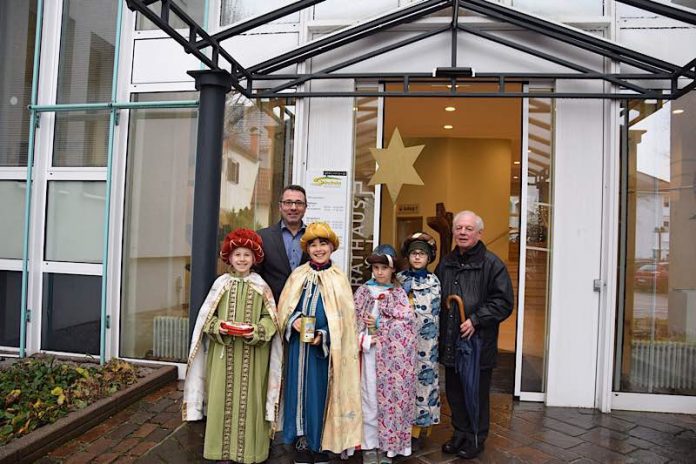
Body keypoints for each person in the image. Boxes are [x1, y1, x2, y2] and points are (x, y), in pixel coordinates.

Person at [266, 222, 362, 464]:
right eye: (313, 245)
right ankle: (301, 441)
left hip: (325, 353)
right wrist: (294, 321)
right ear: (307, 249)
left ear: (332, 247)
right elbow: (285, 307)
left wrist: (324, 335)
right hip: (298, 349)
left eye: (323, 244)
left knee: (320, 395)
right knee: (298, 391)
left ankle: (320, 444)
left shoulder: (339, 279)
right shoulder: (298, 275)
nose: (319, 249)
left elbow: (346, 322)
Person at [182, 228, 278, 463]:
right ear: (229, 258)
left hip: (253, 356)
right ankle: (221, 451)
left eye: (247, 255)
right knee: (220, 400)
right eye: (238, 255)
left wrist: (257, 331)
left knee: (250, 402)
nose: (242, 259)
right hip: (222, 354)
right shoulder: (220, 285)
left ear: (254, 258)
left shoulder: (261, 286)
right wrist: (219, 327)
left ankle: (249, 453)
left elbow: (272, 319)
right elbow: (206, 319)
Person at [436, 211, 513, 459]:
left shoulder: (492, 264)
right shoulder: (446, 262)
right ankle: (459, 433)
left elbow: (503, 302)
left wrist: (476, 320)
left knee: (476, 392)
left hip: (477, 343)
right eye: (459, 228)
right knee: (455, 391)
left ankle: (475, 438)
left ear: (479, 233)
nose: (462, 232)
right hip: (451, 341)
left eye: (468, 228)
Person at [354, 244, 416, 464]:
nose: (379, 272)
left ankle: (388, 447)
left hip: (392, 362)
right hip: (368, 356)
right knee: (369, 398)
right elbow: (353, 322)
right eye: (375, 268)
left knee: (389, 401)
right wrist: (365, 335)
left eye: (383, 268)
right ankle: (369, 445)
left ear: (392, 270)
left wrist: (381, 324)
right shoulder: (363, 292)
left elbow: (407, 326)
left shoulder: (398, 295)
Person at [396, 233, 441, 442]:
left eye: (422, 254)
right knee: (403, 381)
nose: (417, 257)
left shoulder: (434, 281)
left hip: (427, 344)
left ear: (429, 257)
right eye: (413, 253)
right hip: (402, 343)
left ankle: (421, 427)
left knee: (424, 383)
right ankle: (401, 425)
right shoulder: (399, 279)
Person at [257, 185, 309, 303]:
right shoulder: (263, 237)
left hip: (305, 310)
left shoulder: (315, 239)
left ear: (305, 208)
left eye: (299, 203)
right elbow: (254, 277)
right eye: (288, 202)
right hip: (271, 309)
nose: (293, 207)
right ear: (280, 207)